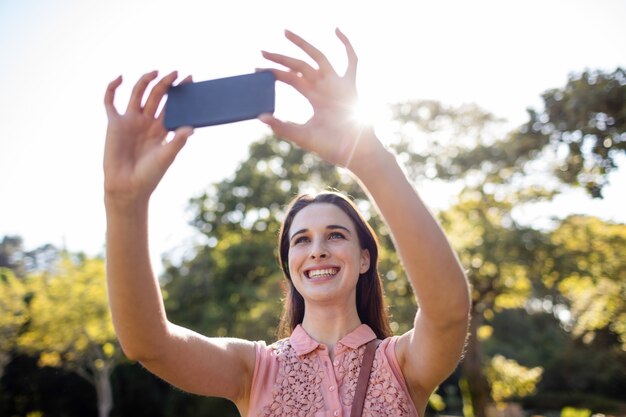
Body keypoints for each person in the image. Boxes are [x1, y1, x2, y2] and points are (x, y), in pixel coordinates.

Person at [103, 28, 470, 417]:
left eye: (336, 235)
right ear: (289, 266)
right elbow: (148, 344)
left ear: (365, 258)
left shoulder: (403, 364)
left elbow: (447, 313)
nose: (318, 250)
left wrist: (369, 157)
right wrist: (124, 204)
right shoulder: (253, 369)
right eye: (301, 240)